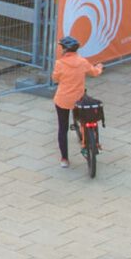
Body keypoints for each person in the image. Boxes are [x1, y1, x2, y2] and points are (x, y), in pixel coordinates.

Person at [51, 34, 103, 169]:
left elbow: (55, 79)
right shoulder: (82, 62)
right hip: (78, 100)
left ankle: (64, 159)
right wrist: (99, 67)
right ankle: (87, 142)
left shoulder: (59, 64)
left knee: (62, 128)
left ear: (65, 50)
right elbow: (94, 72)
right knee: (85, 120)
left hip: (62, 100)